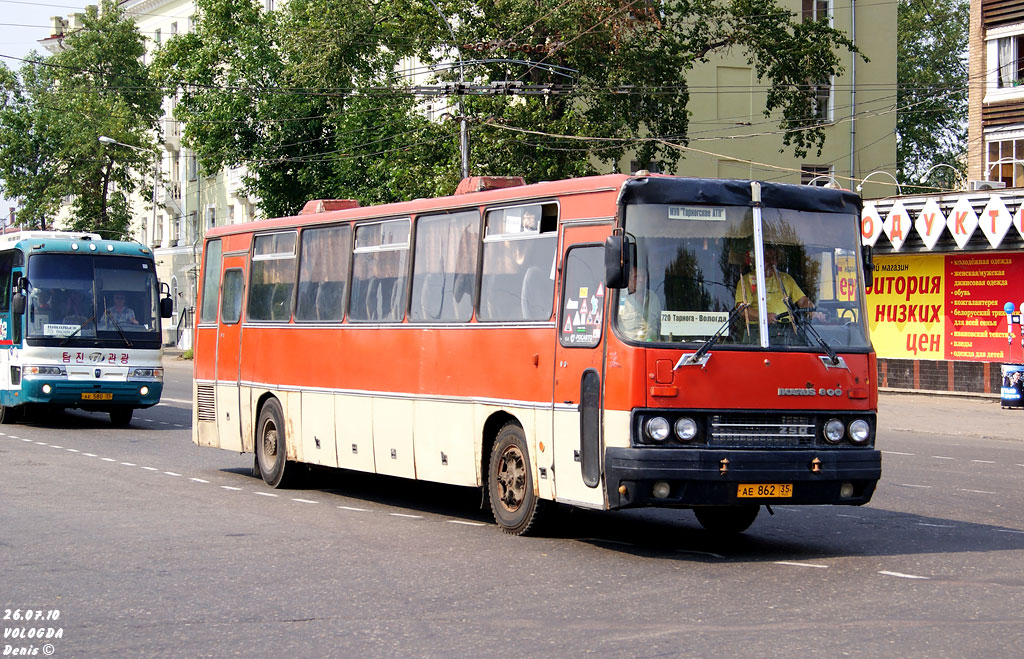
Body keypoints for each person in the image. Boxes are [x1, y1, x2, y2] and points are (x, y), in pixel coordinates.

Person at [734, 245, 824, 324]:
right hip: (758, 334)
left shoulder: (785, 279)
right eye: (767, 259)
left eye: (773, 258)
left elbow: (803, 301)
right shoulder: (747, 280)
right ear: (758, 260)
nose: (771, 262)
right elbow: (742, 310)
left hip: (787, 331)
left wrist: (813, 312)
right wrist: (764, 317)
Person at [618, 266, 663, 340]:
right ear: (629, 279)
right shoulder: (620, 299)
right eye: (636, 277)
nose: (641, 280)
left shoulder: (653, 298)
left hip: (653, 348)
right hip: (630, 348)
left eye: (643, 276)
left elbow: (660, 325)